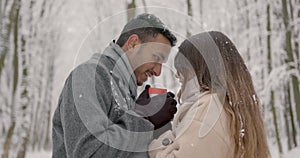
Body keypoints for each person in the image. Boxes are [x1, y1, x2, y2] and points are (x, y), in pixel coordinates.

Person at [52, 13, 178, 158]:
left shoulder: (124, 88)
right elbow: (89, 152)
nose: (158, 71)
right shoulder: (90, 76)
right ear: (133, 44)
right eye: (156, 58)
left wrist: (157, 131)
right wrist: (143, 118)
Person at [149, 31, 270, 158]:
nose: (177, 74)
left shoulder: (208, 109)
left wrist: (159, 135)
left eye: (182, 68)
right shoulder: (227, 108)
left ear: (199, 69)